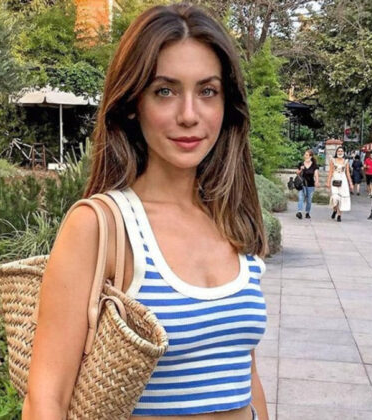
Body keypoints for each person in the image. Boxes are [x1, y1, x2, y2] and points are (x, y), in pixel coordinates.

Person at [23, 4, 269, 420]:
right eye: (165, 91)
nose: (189, 115)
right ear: (133, 103)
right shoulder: (101, 226)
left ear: (227, 104)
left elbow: (246, 374)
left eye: (207, 91)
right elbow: (46, 400)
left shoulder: (232, 219)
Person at [327, 146, 353, 222]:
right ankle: (335, 209)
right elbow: (330, 172)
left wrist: (350, 183)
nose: (340, 152)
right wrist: (328, 182)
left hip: (343, 181)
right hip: (335, 179)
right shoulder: (333, 160)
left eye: (341, 151)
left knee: (341, 198)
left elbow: (347, 173)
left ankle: (339, 215)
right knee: (335, 198)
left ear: (344, 152)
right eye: (338, 151)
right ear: (336, 152)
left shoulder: (346, 161)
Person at [296, 149, 319, 219]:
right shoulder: (301, 163)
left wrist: (317, 181)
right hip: (301, 184)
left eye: (306, 155)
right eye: (305, 154)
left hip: (310, 184)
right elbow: (297, 173)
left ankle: (307, 212)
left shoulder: (314, 165)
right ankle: (299, 212)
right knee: (301, 198)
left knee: (309, 200)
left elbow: (316, 174)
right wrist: (301, 169)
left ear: (310, 156)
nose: (305, 156)